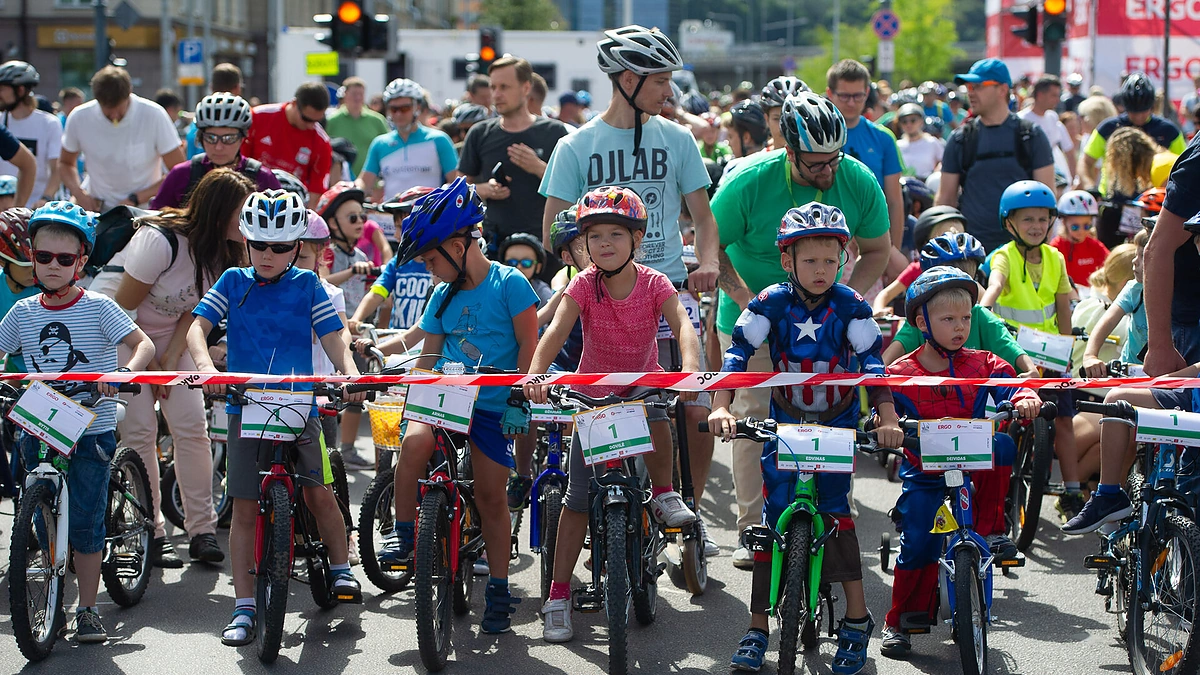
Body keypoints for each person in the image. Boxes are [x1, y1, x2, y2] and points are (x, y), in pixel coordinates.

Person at [539, 25, 721, 552]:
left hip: (663, 286)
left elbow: (703, 219)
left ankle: (685, 512)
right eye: (660, 80)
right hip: (596, 295)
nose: (670, 93)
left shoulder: (678, 138)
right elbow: (555, 226)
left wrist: (707, 261)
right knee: (593, 403)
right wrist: (593, 269)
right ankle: (589, 507)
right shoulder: (576, 145)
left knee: (690, 408)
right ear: (626, 79)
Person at [708, 203, 904, 674]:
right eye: (810, 260)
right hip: (785, 420)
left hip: (836, 422)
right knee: (769, 526)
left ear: (845, 259)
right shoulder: (770, 302)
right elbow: (737, 353)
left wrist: (887, 413)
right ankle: (757, 628)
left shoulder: (852, 306)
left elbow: (873, 363)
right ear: (786, 261)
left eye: (831, 260)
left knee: (838, 517)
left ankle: (857, 622)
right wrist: (721, 405)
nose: (822, 270)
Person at [711, 92, 892, 567]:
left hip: (829, 321)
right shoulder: (750, 181)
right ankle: (755, 527)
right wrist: (750, 303)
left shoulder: (855, 178)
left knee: (836, 414)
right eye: (815, 165)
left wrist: (846, 294)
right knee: (757, 418)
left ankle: (834, 520)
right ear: (788, 150)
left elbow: (877, 247)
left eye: (835, 159)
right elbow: (712, 248)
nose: (828, 172)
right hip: (758, 320)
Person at [187, 189, 365, 646]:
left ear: (297, 245)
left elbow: (334, 337)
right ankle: (243, 606)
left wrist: (348, 373)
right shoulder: (230, 280)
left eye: (282, 246)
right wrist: (208, 368)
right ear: (245, 241)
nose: (269, 254)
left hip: (297, 403)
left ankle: (342, 569)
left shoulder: (307, 285)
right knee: (244, 509)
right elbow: (197, 328)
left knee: (319, 494)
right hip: (244, 405)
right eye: (259, 244)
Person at [522, 186, 700, 643]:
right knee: (577, 500)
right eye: (595, 235)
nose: (604, 243)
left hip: (642, 388)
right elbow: (556, 332)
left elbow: (682, 324)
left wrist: (691, 370)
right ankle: (558, 596)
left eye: (616, 234)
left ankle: (662, 493)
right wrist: (535, 376)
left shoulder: (655, 282)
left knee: (658, 409)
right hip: (592, 397)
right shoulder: (582, 284)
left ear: (637, 239)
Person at [366, 177, 538, 635]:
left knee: (490, 496)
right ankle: (404, 534)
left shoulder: (510, 284)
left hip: (491, 407)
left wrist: (518, 398)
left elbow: (529, 344)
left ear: (460, 245)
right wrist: (397, 375)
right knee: (414, 443)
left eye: (429, 259)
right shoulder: (441, 294)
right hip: (443, 396)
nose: (427, 269)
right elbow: (427, 353)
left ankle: (499, 591)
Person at [0, 200, 156, 643]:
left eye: (64, 259)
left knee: (87, 522)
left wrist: (123, 373)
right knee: (35, 510)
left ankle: (87, 609)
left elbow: (141, 343)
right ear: (31, 256)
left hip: (90, 428)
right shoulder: (23, 313)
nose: (53, 266)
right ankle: (53, 584)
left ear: (81, 262)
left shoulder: (99, 307)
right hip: (39, 425)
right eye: (43, 256)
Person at [879, 266, 1041, 658]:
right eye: (948, 319)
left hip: (969, 466)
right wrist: (883, 425)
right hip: (925, 473)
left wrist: (1024, 398)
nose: (960, 327)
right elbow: (879, 405)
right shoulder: (902, 372)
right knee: (918, 541)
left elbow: (1016, 380)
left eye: (966, 318)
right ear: (921, 322)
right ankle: (899, 621)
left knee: (1001, 446)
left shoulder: (983, 362)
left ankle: (992, 531)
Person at [113, 168, 256, 567]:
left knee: (193, 428)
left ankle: (202, 530)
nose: (248, 225)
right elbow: (122, 307)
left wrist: (172, 359)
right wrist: (154, 364)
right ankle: (151, 531)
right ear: (218, 211)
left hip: (174, 340)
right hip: (125, 335)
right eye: (242, 214)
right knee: (140, 431)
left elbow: (193, 312)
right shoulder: (160, 240)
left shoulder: (225, 252)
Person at [980, 180, 1085, 515]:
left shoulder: (1055, 258)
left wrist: (1068, 350)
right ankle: (991, 484)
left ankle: (1071, 492)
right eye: (1027, 219)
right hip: (1014, 351)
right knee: (1001, 417)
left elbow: (1063, 306)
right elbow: (995, 282)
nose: (1037, 226)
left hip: (1053, 354)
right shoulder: (1003, 256)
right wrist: (984, 306)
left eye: (1043, 219)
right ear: (1009, 223)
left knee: (1065, 420)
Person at [937, 60, 1056, 253]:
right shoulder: (961, 139)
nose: (970, 92)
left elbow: (1048, 202)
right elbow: (945, 200)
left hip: (1021, 254)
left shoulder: (1031, 136)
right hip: (972, 254)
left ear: (1002, 89)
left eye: (978, 86)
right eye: (968, 87)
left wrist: (1037, 255)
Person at [458, 57, 570, 259]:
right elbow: (458, 189)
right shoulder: (480, 133)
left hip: (543, 246)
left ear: (526, 88)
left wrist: (538, 168)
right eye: (493, 87)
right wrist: (485, 189)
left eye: (504, 87)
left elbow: (572, 188)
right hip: (495, 246)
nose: (496, 94)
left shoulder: (554, 132)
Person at [882, 232, 1036, 375]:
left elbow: (1007, 344)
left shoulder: (980, 314)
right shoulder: (923, 315)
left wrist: (1030, 370)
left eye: (966, 318)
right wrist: (878, 374)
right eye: (948, 318)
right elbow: (894, 352)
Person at [60, 66, 184, 211]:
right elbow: (65, 163)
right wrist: (80, 194)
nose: (114, 116)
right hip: (97, 210)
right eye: (107, 111)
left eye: (119, 110)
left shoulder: (154, 115)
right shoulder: (79, 117)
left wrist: (136, 198)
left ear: (129, 94)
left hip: (143, 211)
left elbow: (178, 171)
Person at [315, 182, 375, 470]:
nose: (360, 223)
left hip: (351, 331)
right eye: (353, 218)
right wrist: (351, 271)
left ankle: (347, 448)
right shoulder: (325, 254)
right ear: (331, 223)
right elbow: (324, 281)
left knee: (356, 390)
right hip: (329, 331)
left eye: (362, 217)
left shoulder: (362, 256)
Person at [827, 60, 907, 268]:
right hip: (827, 240)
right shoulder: (819, 137)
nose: (852, 103)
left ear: (867, 94)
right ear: (830, 93)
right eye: (844, 96)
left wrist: (892, 249)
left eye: (858, 96)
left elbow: (894, 200)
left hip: (872, 239)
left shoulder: (883, 138)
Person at [152, 93, 280, 209]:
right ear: (201, 137)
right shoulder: (181, 174)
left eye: (228, 138)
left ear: (242, 138)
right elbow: (154, 221)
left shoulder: (263, 178)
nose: (218, 147)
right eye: (211, 138)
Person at [1079, 72, 1186, 191]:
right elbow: (1086, 161)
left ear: (1151, 106)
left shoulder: (1168, 130)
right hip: (1113, 198)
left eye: (1144, 111)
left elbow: (1184, 166)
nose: (1139, 116)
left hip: (1153, 200)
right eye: (1134, 111)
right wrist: (1089, 185)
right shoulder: (1107, 127)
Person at [358, 78, 457, 204]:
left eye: (405, 108)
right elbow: (365, 183)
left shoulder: (439, 140)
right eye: (394, 109)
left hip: (428, 218)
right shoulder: (380, 144)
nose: (399, 114)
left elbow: (455, 182)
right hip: (393, 219)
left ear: (417, 107)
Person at [241, 82, 332, 208]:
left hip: (290, 209)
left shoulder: (321, 142)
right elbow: (239, 162)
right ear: (294, 104)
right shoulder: (257, 117)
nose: (311, 126)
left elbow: (315, 192)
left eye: (317, 121)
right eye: (306, 119)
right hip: (250, 202)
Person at [872, 206, 965, 316]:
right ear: (926, 243)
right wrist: (878, 309)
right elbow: (886, 294)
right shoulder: (917, 269)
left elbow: (982, 296)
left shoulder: (961, 271)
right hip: (919, 327)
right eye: (943, 242)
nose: (952, 247)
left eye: (959, 241)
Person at [0, 61, 62, 208]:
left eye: (2, 88)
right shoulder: (1, 121)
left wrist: (45, 198)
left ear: (20, 90)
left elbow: (57, 168)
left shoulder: (49, 123)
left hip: (36, 207)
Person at [324, 77, 389, 178]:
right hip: (341, 182)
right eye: (354, 94)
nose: (358, 98)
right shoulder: (332, 120)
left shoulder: (377, 120)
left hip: (372, 182)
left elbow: (387, 148)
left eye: (361, 94)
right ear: (345, 94)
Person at [1018, 75, 1077, 185]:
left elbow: (1069, 151)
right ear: (1040, 95)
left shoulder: (1053, 117)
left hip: (1058, 180)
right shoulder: (1021, 120)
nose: (1057, 100)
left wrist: (1073, 179)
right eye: (1053, 95)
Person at [0, 208, 37, 370]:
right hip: (13, 372)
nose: (33, 273)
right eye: (25, 266)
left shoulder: (51, 289)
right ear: (3, 262)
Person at [184, 63, 244, 159]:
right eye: (211, 138)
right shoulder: (245, 121)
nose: (218, 147)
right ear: (238, 88)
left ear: (211, 87)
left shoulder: (197, 123)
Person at [1050, 190, 1108, 287]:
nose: (1081, 231)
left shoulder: (1094, 245)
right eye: (1075, 227)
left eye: (1086, 226)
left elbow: (1110, 264)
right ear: (1064, 222)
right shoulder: (1057, 247)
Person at [498, 232, 552, 304]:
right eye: (512, 263)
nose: (518, 267)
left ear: (538, 267)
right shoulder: (496, 289)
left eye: (526, 263)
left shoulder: (542, 294)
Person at [759, 76, 811, 151]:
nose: (785, 126)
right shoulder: (759, 161)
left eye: (793, 118)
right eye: (777, 118)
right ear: (767, 119)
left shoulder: (820, 159)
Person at [720, 100, 769, 177]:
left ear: (746, 137)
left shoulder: (733, 168)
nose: (728, 143)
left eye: (730, 136)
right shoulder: (775, 163)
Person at [895, 103, 943, 181]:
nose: (909, 124)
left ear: (921, 121)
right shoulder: (897, 145)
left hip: (928, 186)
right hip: (904, 186)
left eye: (913, 120)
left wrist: (936, 174)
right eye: (904, 122)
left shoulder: (932, 142)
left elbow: (944, 161)